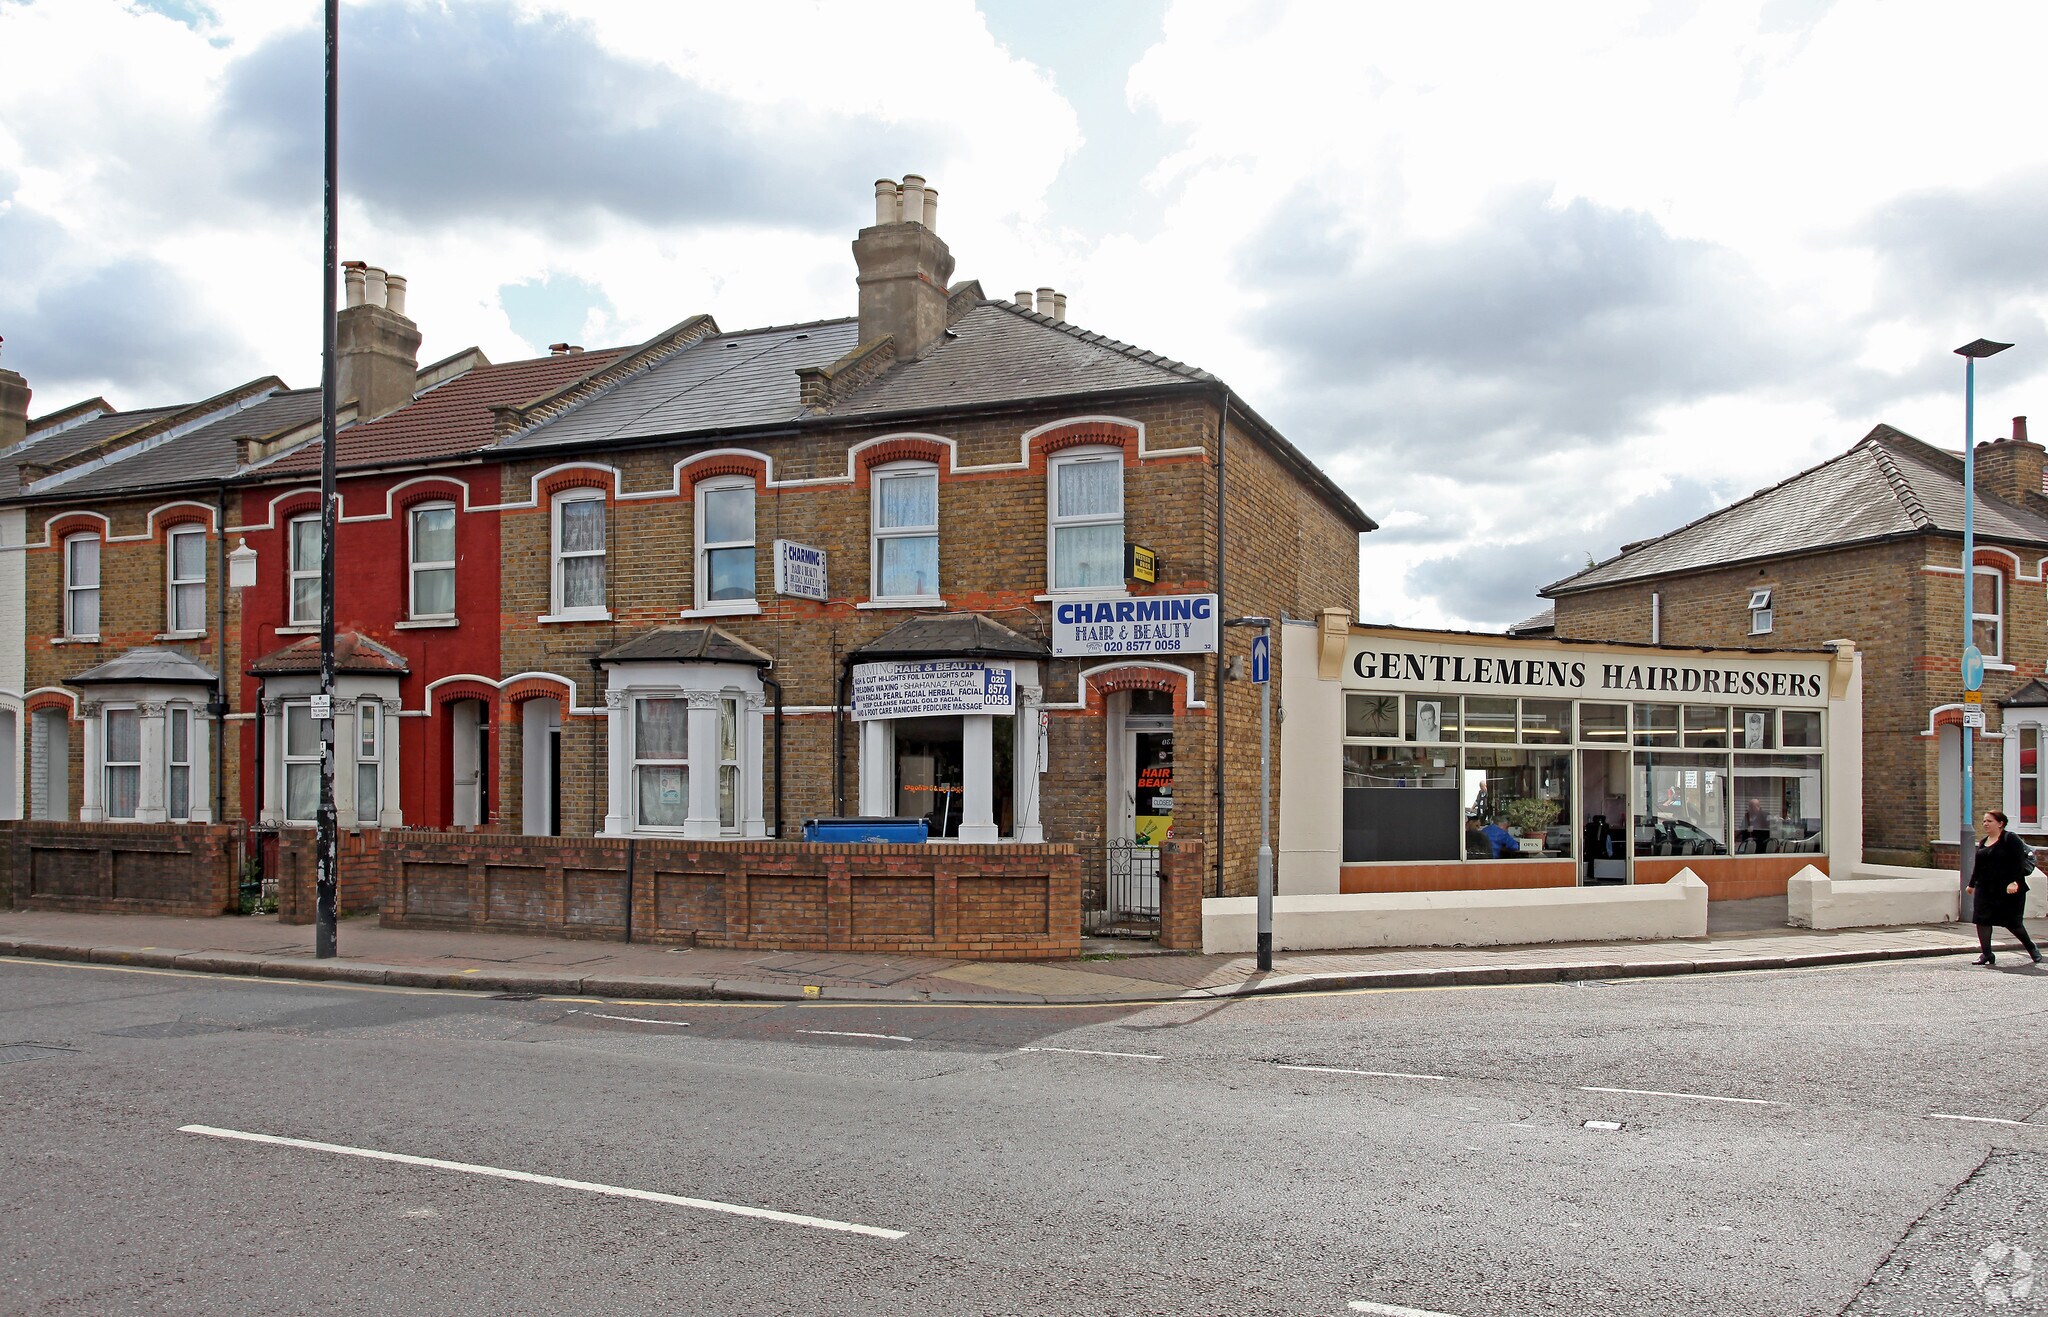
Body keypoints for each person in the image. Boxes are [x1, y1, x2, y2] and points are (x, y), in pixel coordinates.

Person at [1969, 810, 2042, 966]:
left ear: (2000, 823)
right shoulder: (1983, 841)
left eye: (1989, 821)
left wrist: (2014, 881)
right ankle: (1987, 954)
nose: (1985, 824)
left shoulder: (2010, 839)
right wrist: (1971, 884)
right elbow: (1979, 866)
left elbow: (2018, 862)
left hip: (2009, 889)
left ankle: (2031, 947)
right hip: (1985, 888)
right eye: (1984, 821)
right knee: (1982, 920)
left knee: (2012, 923)